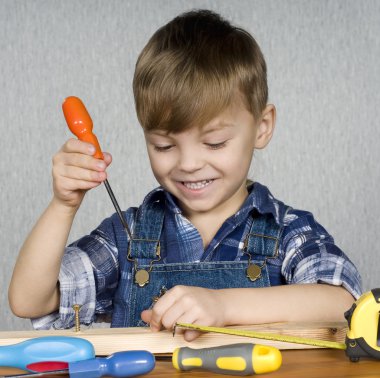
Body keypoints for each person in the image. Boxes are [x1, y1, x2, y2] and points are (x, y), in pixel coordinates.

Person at [9, 9, 361, 341]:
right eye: (164, 146)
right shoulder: (127, 238)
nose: (189, 163)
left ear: (262, 127)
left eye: (214, 142)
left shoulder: (286, 231)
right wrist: (63, 204)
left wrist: (223, 306)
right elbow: (31, 301)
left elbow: (343, 304)